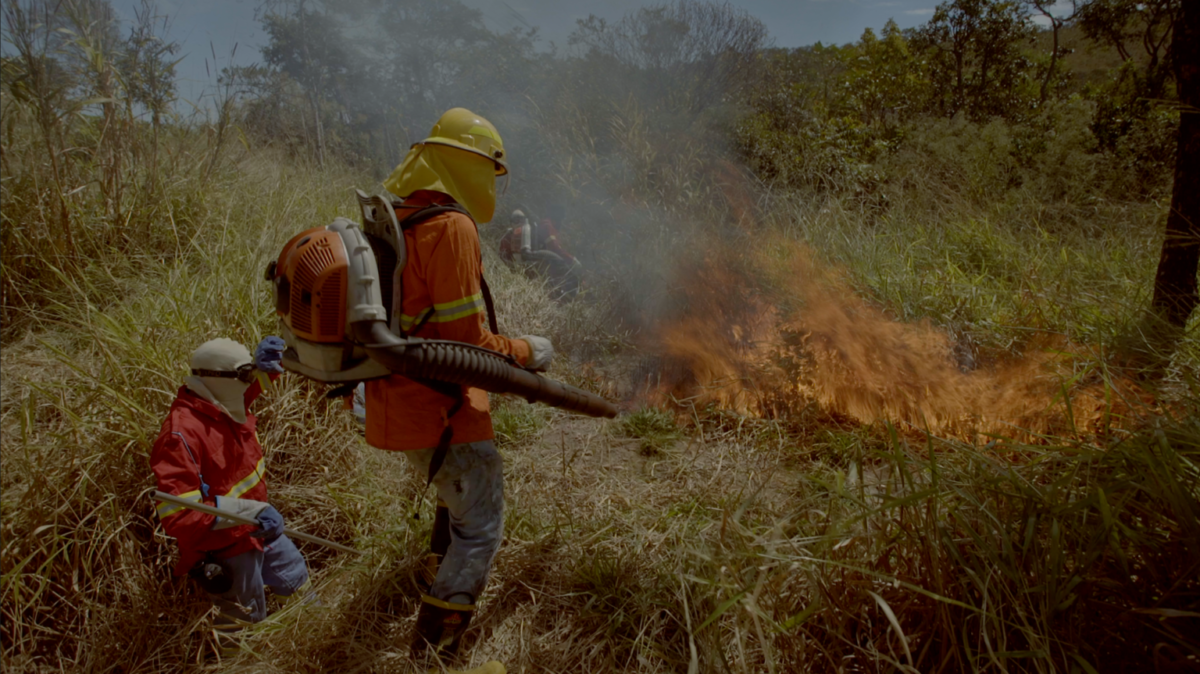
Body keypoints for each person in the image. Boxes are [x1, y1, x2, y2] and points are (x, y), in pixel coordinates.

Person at [369, 107, 554, 659]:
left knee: (456, 506)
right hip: (440, 409)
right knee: (482, 528)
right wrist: (526, 351)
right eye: (487, 170)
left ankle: (433, 582)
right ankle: (434, 654)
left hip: (392, 400)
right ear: (466, 166)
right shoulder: (449, 226)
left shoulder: (394, 217)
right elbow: (467, 343)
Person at [151, 336, 309, 656]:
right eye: (245, 373)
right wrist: (250, 512)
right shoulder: (180, 435)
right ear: (215, 378)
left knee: (296, 581)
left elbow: (244, 393)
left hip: (261, 529)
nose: (250, 382)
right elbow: (179, 515)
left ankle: (312, 638)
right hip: (225, 547)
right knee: (244, 623)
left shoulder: (222, 402)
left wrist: (267, 369)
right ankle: (247, 663)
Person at [498, 207, 583, 300]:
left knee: (553, 269)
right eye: (515, 220)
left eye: (519, 219)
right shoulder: (509, 236)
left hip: (527, 267)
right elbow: (506, 256)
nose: (517, 222)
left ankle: (565, 294)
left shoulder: (524, 230)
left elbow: (526, 254)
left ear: (524, 219)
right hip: (523, 268)